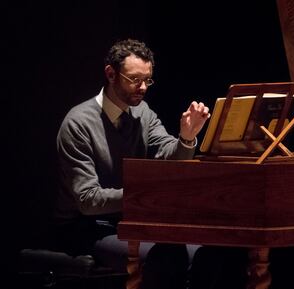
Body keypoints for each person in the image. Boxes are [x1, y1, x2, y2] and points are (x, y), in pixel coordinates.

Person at [52, 38, 210, 289]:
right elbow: (88, 200)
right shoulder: (78, 123)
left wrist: (187, 137)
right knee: (167, 257)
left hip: (130, 220)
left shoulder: (142, 113)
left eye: (148, 80)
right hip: (86, 227)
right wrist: (146, 197)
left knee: (204, 252)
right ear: (111, 74)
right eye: (135, 79)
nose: (143, 87)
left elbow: (171, 158)